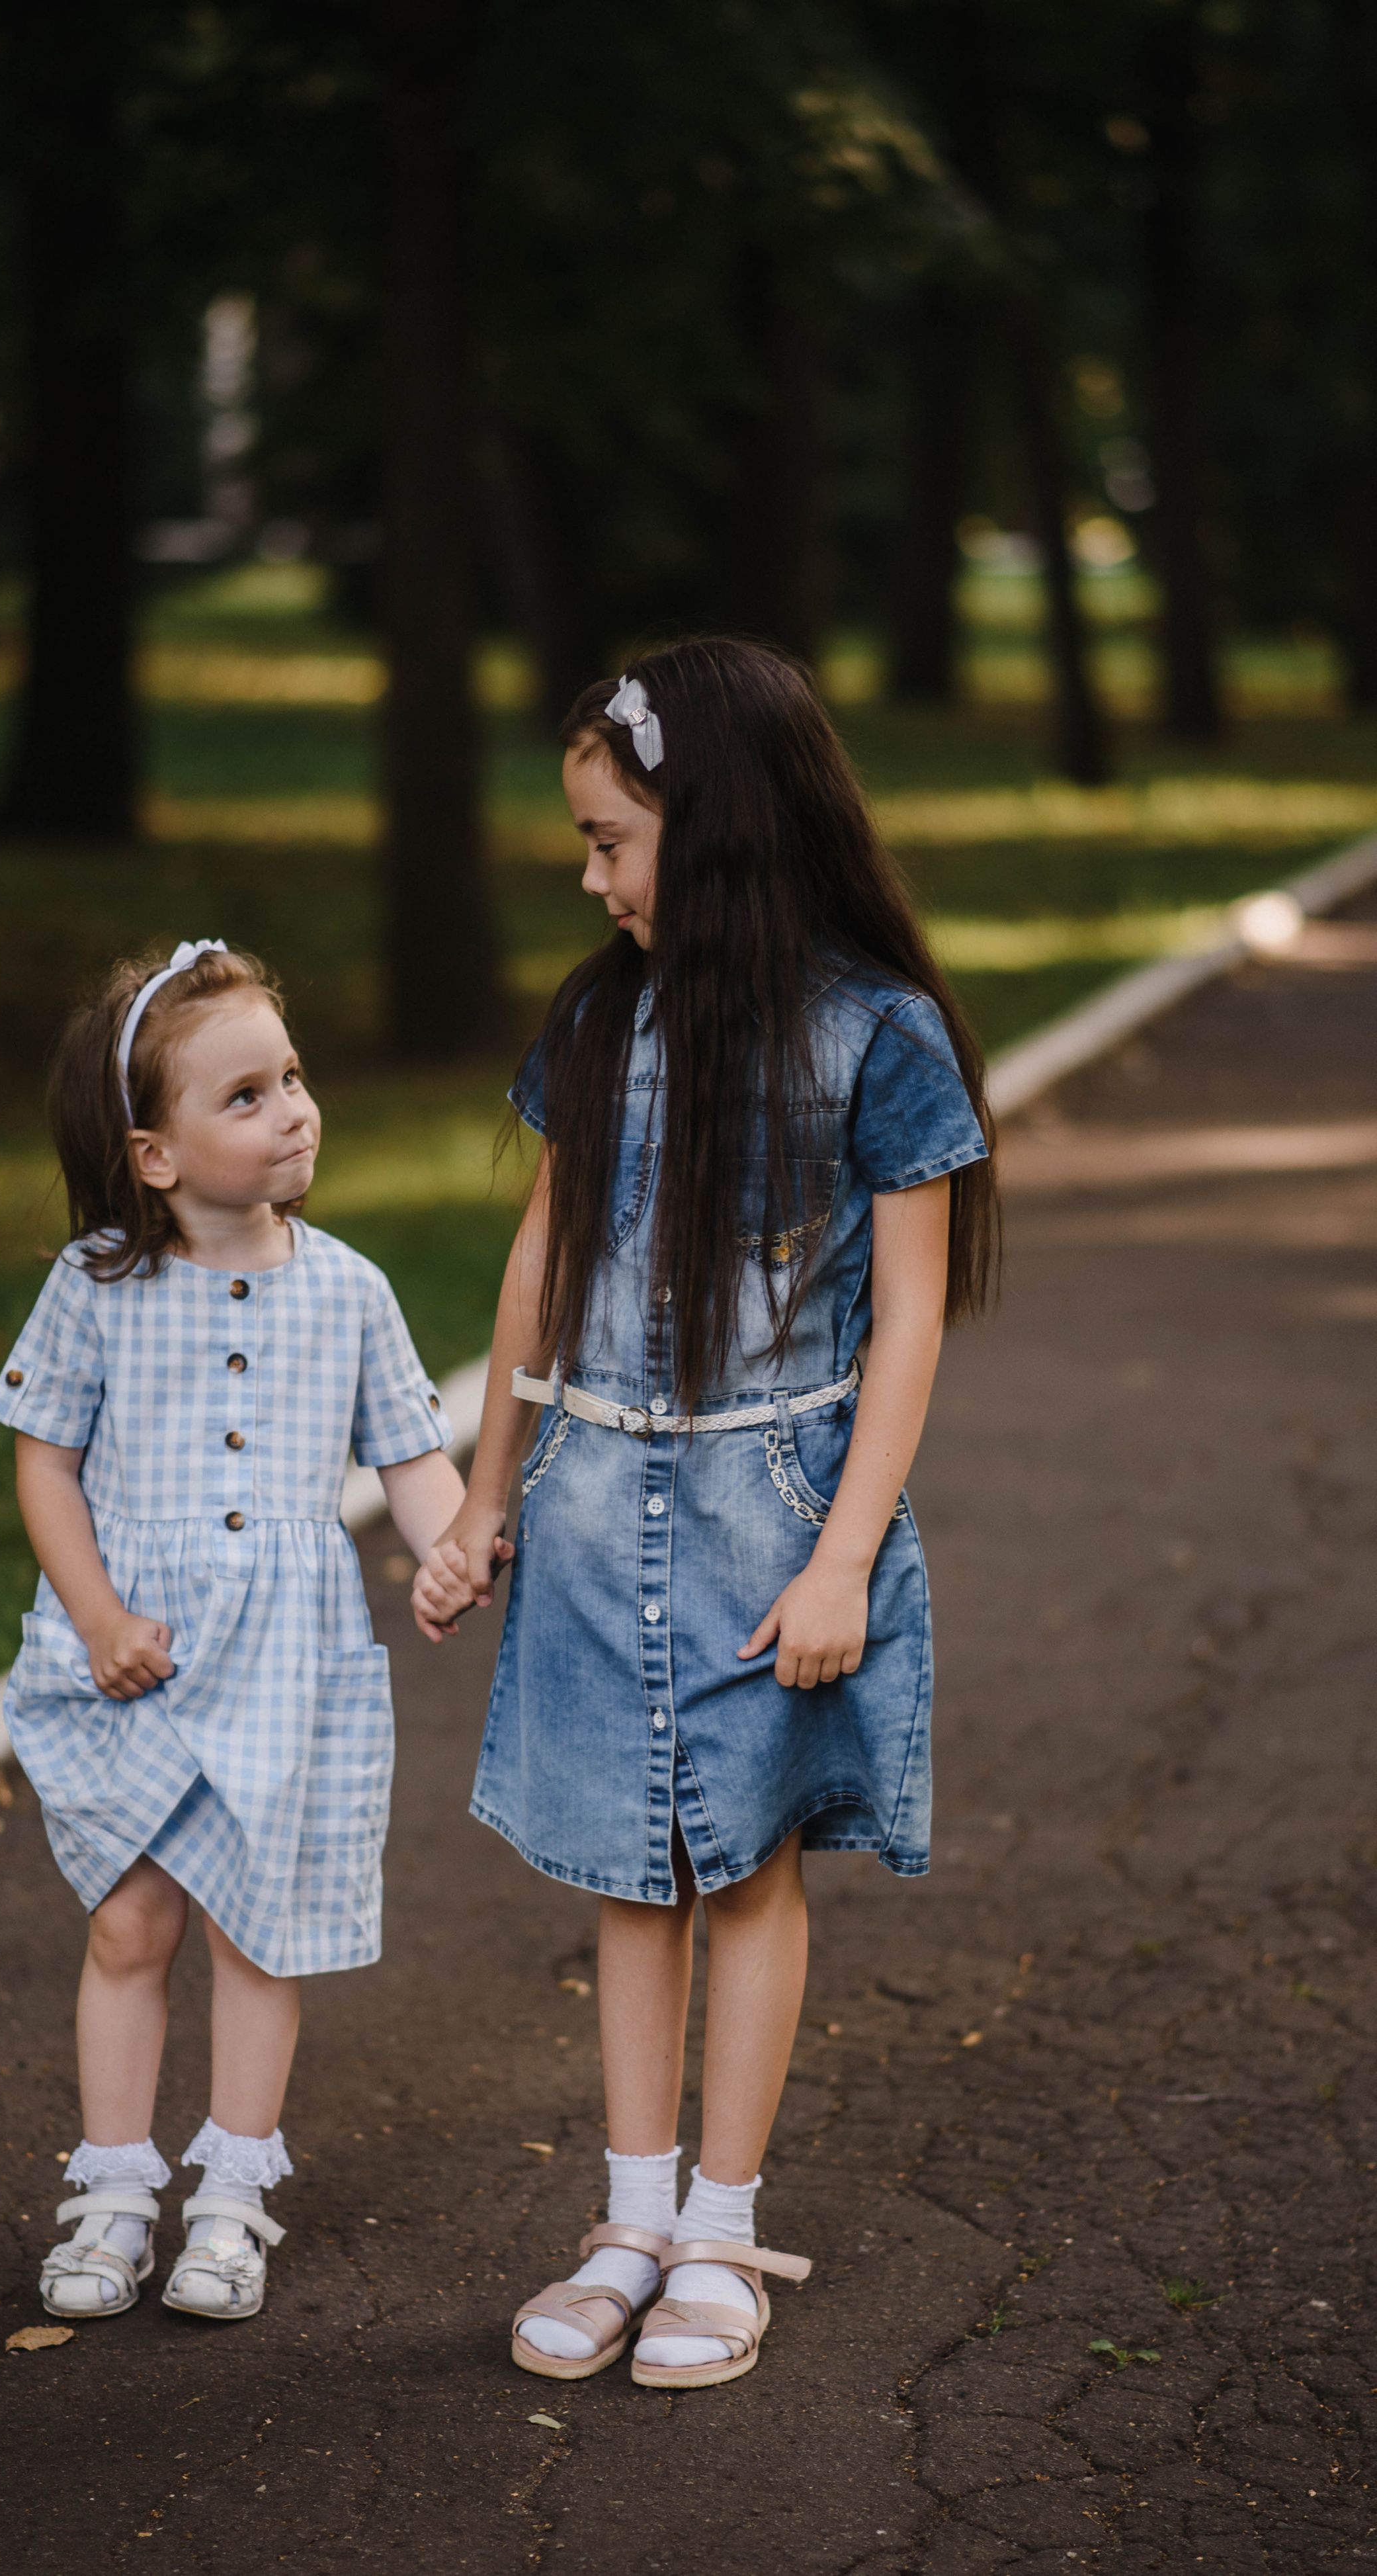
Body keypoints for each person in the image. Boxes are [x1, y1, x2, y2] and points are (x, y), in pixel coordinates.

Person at [414, 639, 999, 2391]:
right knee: (629, 1867)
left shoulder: (876, 1037)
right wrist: (482, 1496)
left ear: (721, 826)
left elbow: (909, 1321)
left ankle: (721, 2225)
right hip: (591, 1503)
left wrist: (841, 1554)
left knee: (739, 1868)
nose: (590, 875)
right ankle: (629, 2213)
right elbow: (543, 1257)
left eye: (610, 838)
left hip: (769, 1513)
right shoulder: (603, 1015)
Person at [0, 940, 468, 2325]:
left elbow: (412, 1458)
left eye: (294, 1078)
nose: (294, 1110)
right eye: (246, 1095)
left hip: (289, 1661)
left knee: (261, 1933)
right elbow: (43, 1462)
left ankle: (234, 2198)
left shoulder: (349, 1290)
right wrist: (93, 1615)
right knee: (133, 1921)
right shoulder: (94, 1286)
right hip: (139, 1649)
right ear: (154, 1153)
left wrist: (447, 1549)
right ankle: (115, 2187)